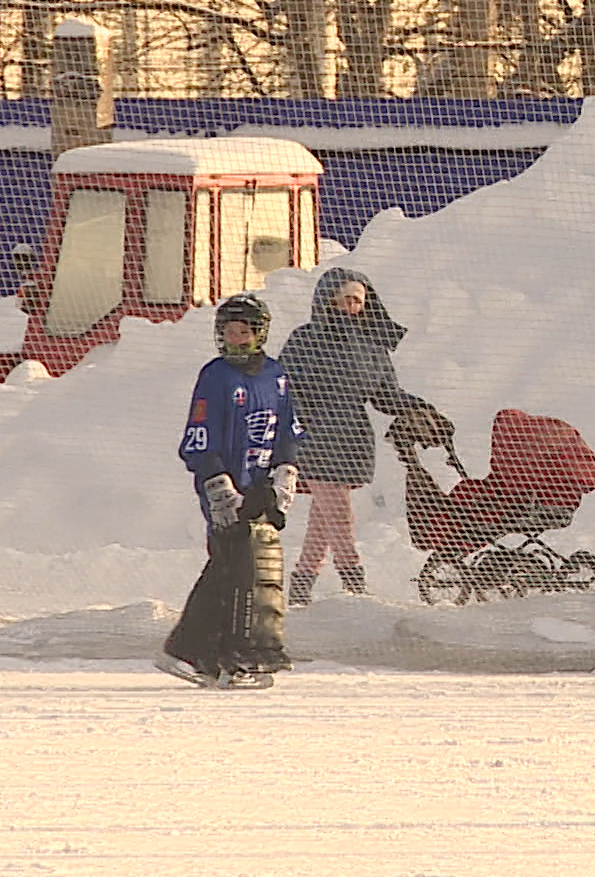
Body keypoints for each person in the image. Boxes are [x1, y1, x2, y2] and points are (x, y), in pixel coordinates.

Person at [157, 294, 304, 689]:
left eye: (244, 332)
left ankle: (202, 652)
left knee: (240, 566)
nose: (235, 339)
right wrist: (219, 486)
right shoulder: (216, 376)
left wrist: (283, 476)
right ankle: (216, 652)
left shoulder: (276, 375)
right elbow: (200, 439)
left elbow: (288, 431)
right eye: (228, 332)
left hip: (259, 484)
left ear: (260, 334)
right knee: (232, 563)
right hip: (224, 484)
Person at [278, 268, 428, 605]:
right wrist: (299, 423)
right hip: (315, 438)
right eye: (345, 298)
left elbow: (386, 395)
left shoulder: (371, 346)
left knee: (324, 519)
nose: (351, 306)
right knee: (340, 514)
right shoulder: (304, 340)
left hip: (352, 438)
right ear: (327, 299)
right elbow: (284, 388)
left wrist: (418, 408)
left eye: (358, 300)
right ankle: (354, 583)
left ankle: (301, 587)